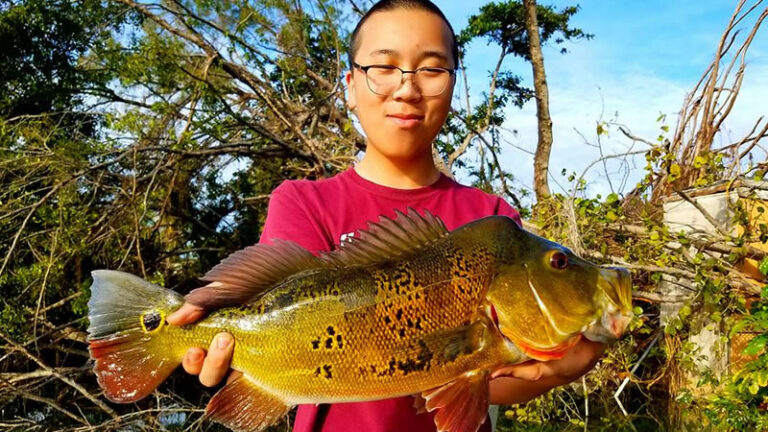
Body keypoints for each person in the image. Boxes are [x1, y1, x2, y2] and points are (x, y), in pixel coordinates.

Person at [167, 1, 606, 431]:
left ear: (452, 86)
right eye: (383, 67)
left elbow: (490, 381)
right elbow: (268, 305)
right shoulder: (303, 201)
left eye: (431, 69)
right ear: (350, 87)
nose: (407, 88)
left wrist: (560, 370)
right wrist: (210, 333)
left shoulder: (493, 220)